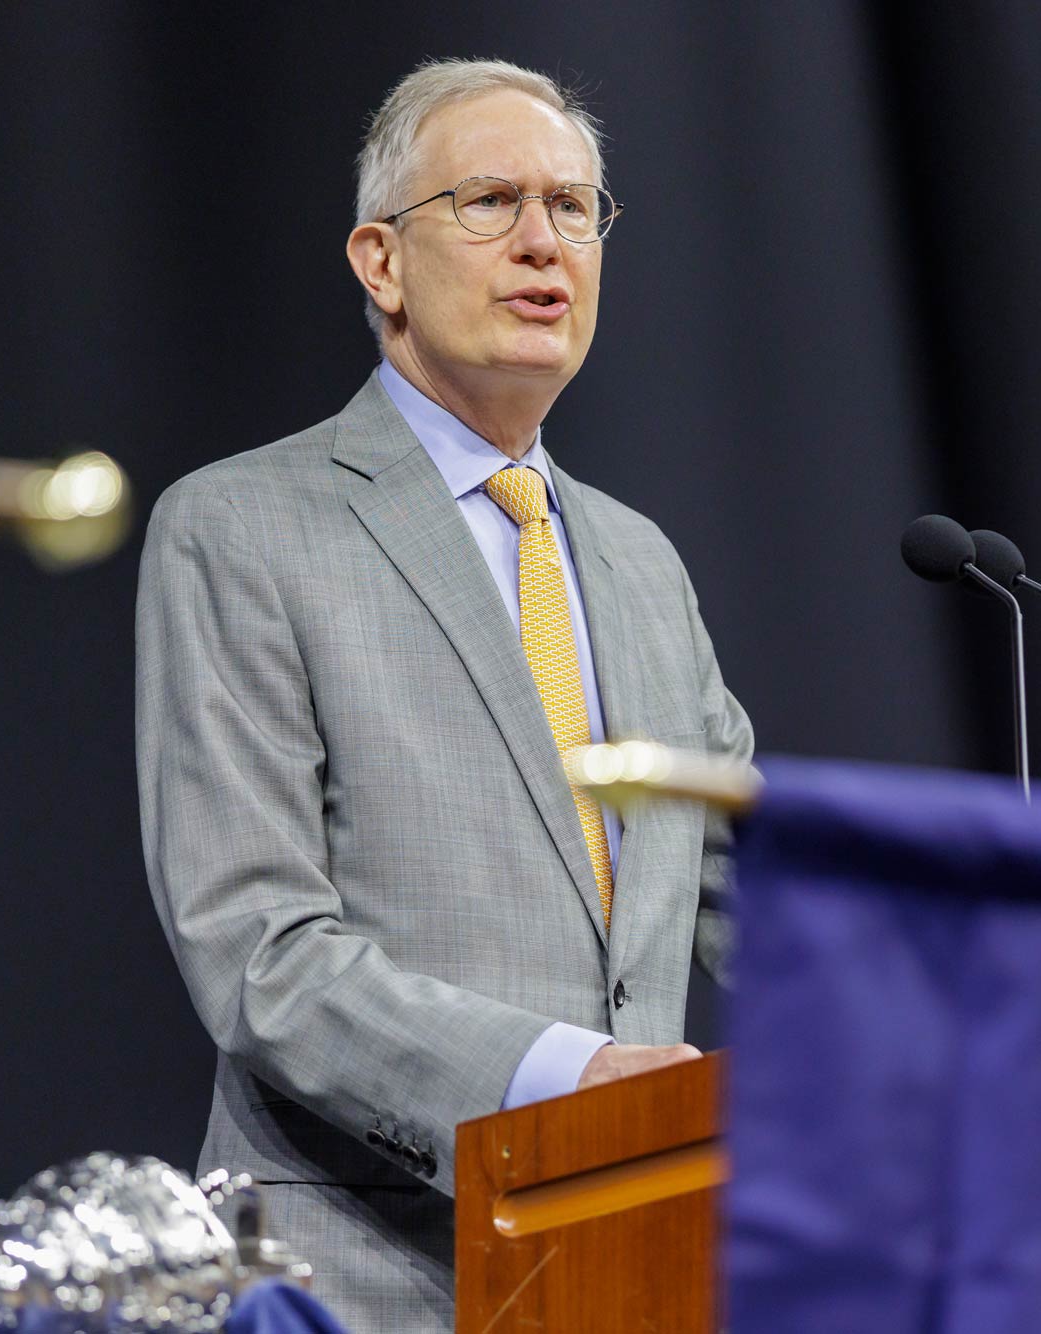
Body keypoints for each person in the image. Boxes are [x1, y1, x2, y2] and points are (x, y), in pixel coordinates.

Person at [136, 57, 751, 1331]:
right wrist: (568, 1078)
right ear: (380, 261)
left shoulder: (638, 561)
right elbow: (258, 951)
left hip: (625, 1270)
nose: (542, 243)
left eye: (572, 207)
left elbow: (750, 892)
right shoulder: (242, 526)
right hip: (353, 1278)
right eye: (489, 201)